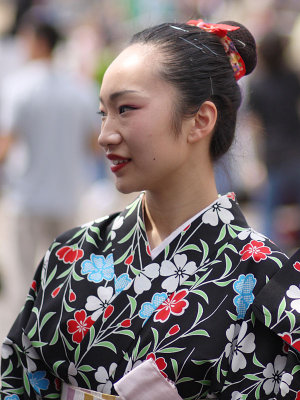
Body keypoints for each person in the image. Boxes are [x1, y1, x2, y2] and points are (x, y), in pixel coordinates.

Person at [1, 18, 299, 400]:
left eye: (126, 109)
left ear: (201, 120)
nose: (105, 135)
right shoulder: (70, 253)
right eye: (103, 114)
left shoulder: (265, 281)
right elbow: (19, 380)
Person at [0, 17, 100, 286]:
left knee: (24, 282)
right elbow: (94, 145)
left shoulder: (16, 86)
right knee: (64, 280)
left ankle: (27, 329)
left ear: (39, 43)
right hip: (69, 196)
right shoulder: (81, 88)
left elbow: (5, 145)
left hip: (26, 197)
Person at [248, 31, 300, 249]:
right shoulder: (292, 78)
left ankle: (271, 254)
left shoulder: (258, 84)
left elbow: (255, 124)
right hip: (294, 148)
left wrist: (256, 158)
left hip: (272, 152)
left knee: (268, 210)